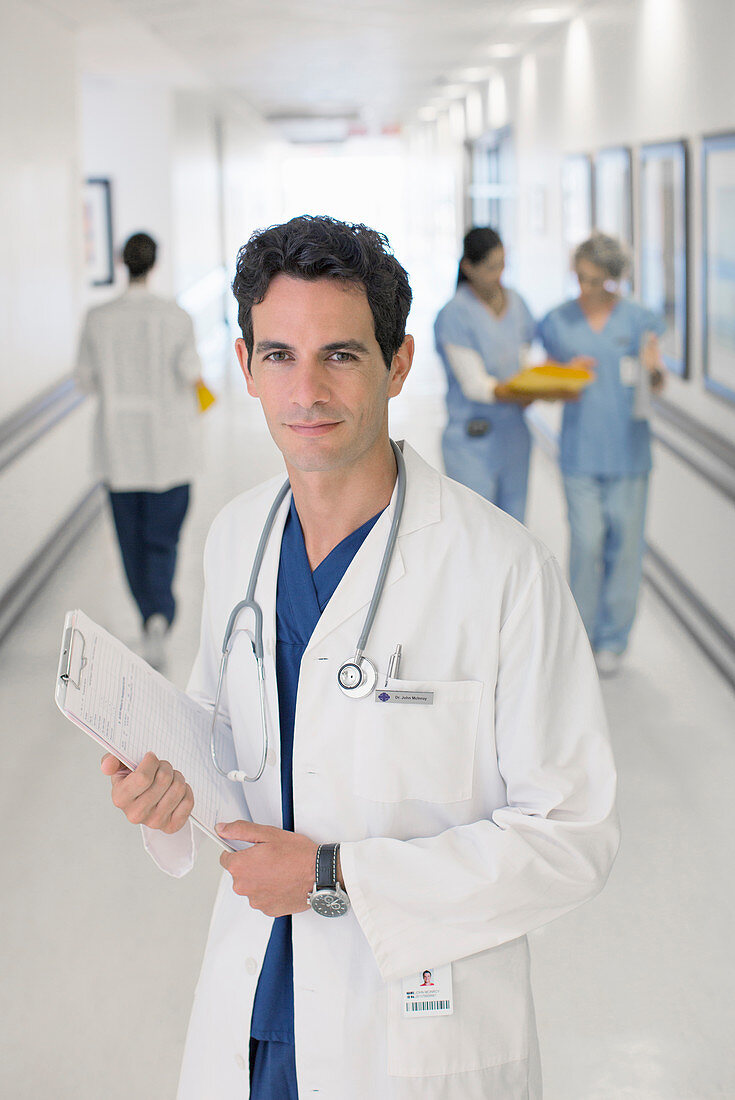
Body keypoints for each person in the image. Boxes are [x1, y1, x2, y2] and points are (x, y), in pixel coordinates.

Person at [101, 215, 619, 1100]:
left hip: (413, 1026)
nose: (306, 390)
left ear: (399, 362)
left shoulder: (502, 569)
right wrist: (164, 792)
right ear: (243, 365)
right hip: (260, 1010)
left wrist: (332, 875)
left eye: (340, 355)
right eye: (277, 356)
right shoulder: (235, 538)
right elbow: (215, 744)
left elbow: (571, 838)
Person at [538, 232, 666, 677]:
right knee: (587, 540)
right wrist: (563, 374)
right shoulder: (557, 321)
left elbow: (658, 383)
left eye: (595, 280)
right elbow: (547, 385)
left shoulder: (639, 320)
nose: (585, 289)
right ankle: (582, 632)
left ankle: (614, 639)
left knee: (624, 548)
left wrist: (654, 370)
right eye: (580, 278)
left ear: (613, 279)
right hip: (579, 452)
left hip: (629, 454)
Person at [75, 232, 203, 668]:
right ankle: (160, 618)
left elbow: (86, 380)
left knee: (130, 541)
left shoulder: (97, 317)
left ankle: (149, 612)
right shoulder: (175, 316)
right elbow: (191, 373)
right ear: (156, 262)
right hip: (170, 451)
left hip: (118, 450)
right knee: (162, 540)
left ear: (120, 261)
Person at [434, 227, 574, 523]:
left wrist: (551, 380)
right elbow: (475, 385)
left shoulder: (517, 303)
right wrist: (524, 392)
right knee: (477, 531)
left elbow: (525, 359)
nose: (498, 274)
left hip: (514, 435)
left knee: (514, 529)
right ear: (468, 268)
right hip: (472, 440)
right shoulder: (454, 314)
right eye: (490, 267)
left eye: (502, 265)